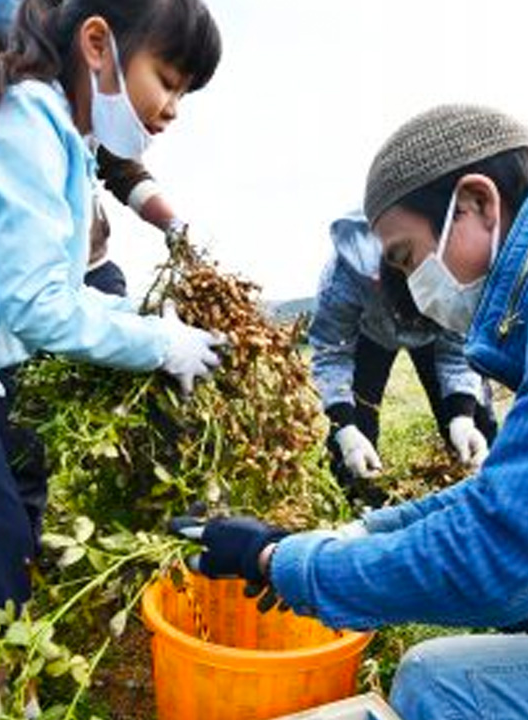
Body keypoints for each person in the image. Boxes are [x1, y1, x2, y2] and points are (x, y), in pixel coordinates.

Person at [177, 104, 528, 720]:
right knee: (430, 678)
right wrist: (358, 522)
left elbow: (491, 553)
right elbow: (331, 349)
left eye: (404, 255)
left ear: (478, 204)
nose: (409, 280)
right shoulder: (352, 280)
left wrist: (275, 560)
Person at [0, 0, 225, 641]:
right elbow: (41, 305)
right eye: (167, 81)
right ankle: (2, 693)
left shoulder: (66, 133)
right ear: (98, 44)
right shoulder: (28, 117)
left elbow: (61, 288)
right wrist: (159, 342)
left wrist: (142, 319)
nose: (172, 109)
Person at [0, 0, 195, 298]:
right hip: (15, 281)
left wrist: (173, 224)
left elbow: (121, 167)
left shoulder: (68, 72)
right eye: (167, 83)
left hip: (87, 270)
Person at [309, 209, 497, 506]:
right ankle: (361, 502)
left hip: (436, 337)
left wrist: (462, 416)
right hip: (369, 333)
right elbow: (332, 353)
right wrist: (344, 427)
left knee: (477, 422)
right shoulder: (343, 281)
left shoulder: (450, 271)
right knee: (357, 432)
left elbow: (458, 350)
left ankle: (488, 485)